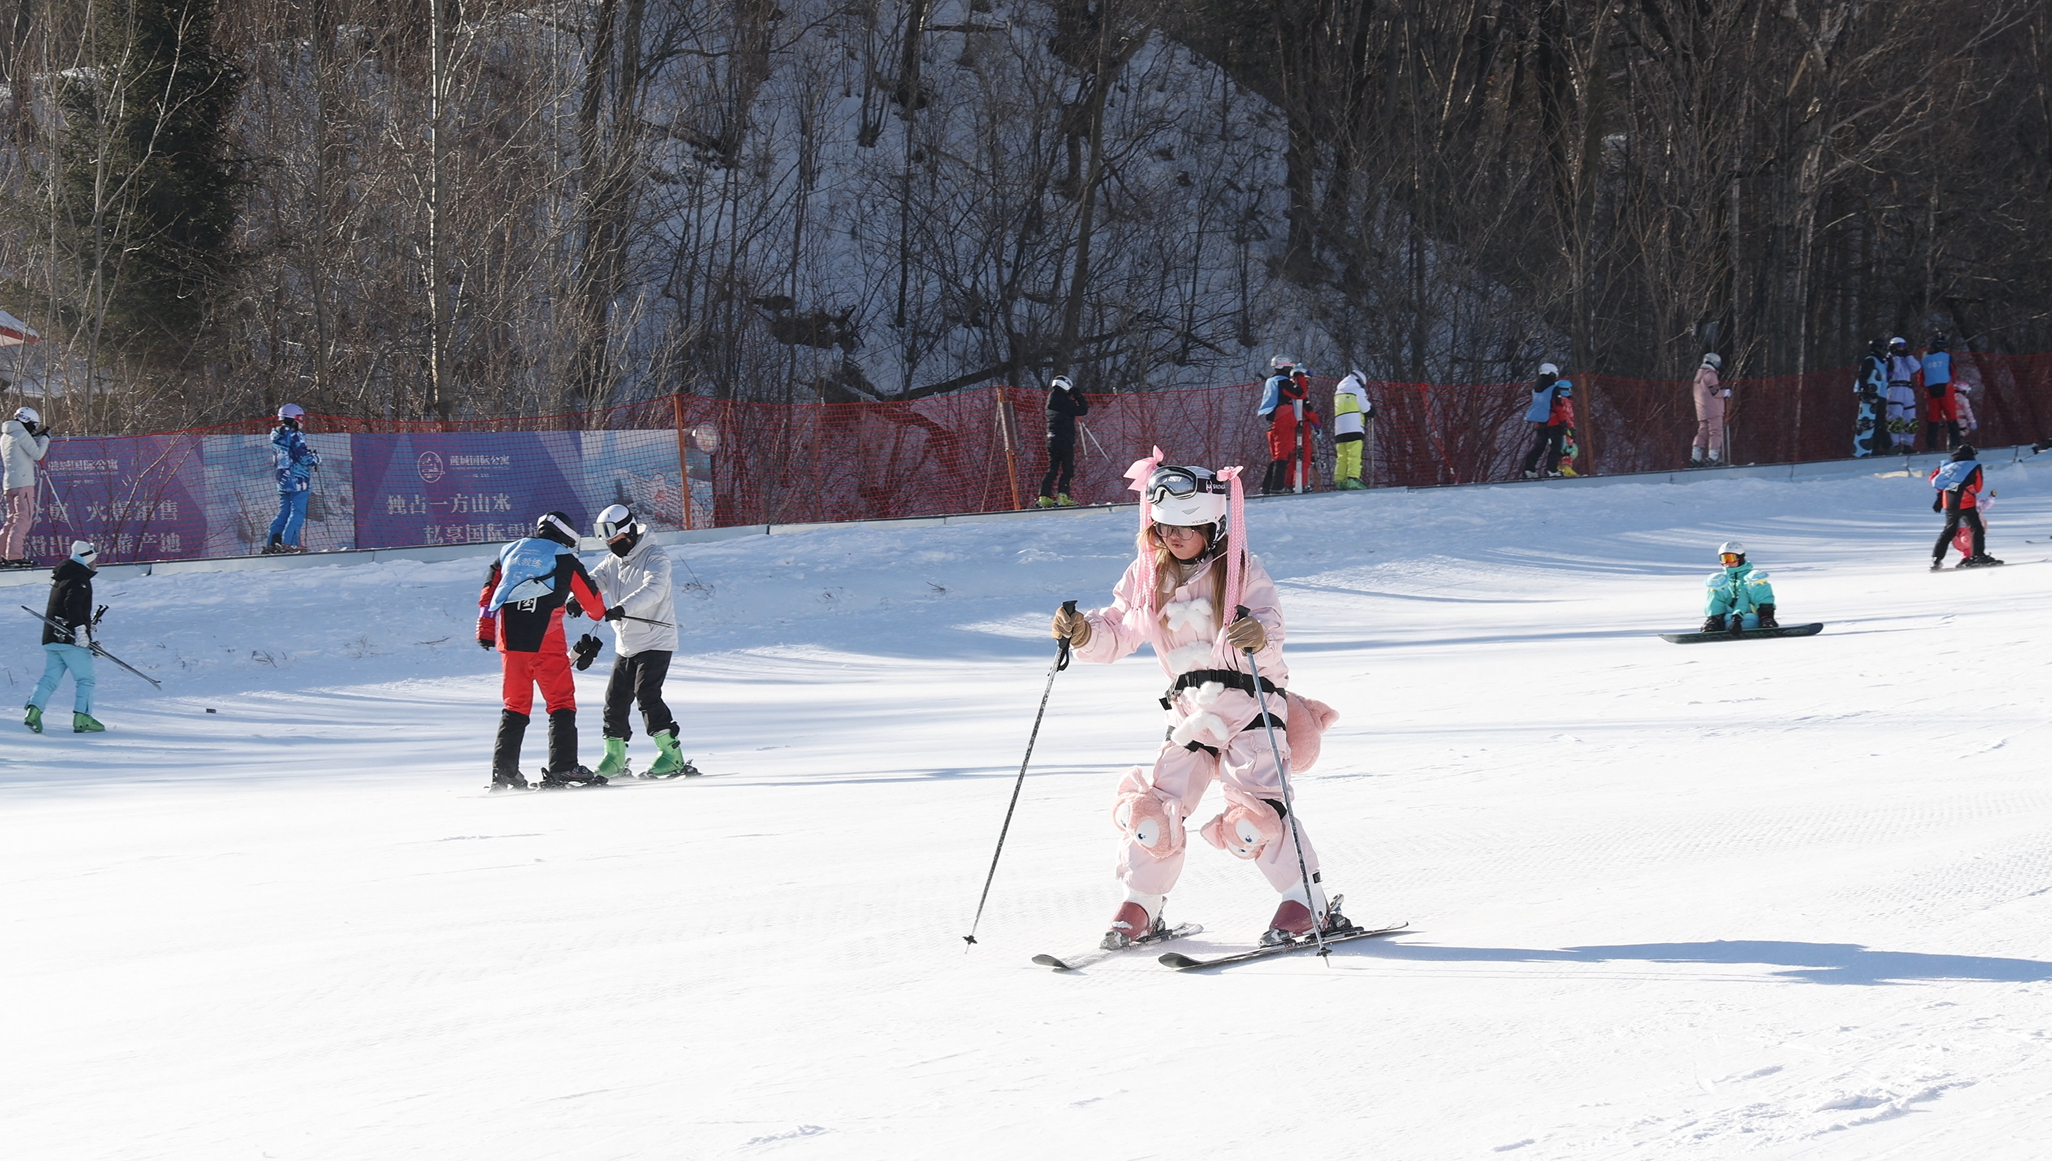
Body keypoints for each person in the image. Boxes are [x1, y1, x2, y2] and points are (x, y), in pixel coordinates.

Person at [1049, 452, 1346, 950]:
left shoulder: (1240, 569)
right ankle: (1141, 904)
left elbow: (1270, 626)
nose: (1173, 537)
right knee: (1155, 810)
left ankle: (1305, 901)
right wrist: (1083, 633)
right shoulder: (1149, 575)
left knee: (1256, 809)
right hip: (1192, 713)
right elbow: (1119, 627)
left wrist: (1256, 635)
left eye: (1185, 528)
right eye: (1163, 528)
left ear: (1212, 525)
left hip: (1251, 705)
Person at [477, 511, 617, 790]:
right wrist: (597, 613)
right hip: (546, 641)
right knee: (561, 702)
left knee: (514, 705)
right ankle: (564, 768)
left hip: (510, 642)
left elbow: (488, 593)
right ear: (567, 536)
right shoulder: (564, 557)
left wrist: (485, 629)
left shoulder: (508, 552)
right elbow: (592, 603)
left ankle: (504, 772)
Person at [586, 504, 694, 779]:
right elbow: (594, 580)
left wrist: (622, 608)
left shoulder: (655, 556)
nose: (612, 545)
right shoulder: (613, 561)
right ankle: (614, 757)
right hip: (626, 643)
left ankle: (671, 754)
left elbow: (654, 590)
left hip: (656, 639)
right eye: (608, 541)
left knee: (647, 694)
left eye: (616, 539)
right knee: (614, 700)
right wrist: (579, 597)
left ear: (631, 532)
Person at [24, 540, 104, 734]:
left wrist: (87, 627)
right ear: (87, 559)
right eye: (94, 559)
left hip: (52, 639)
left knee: (49, 678)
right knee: (85, 679)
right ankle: (82, 718)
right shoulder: (79, 578)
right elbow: (72, 605)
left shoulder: (62, 575)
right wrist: (81, 631)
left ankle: (33, 712)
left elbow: (63, 607)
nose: (96, 563)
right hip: (70, 640)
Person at [1929, 444, 2001, 569]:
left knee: (1949, 530)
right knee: (1976, 528)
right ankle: (1977, 555)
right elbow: (1978, 487)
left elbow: (1933, 479)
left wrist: (1948, 489)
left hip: (1949, 503)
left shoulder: (1945, 465)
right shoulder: (1973, 465)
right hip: (1966, 502)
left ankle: (1936, 559)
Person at [264, 404, 321, 554]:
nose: (302, 421)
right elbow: (303, 458)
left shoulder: (277, 434)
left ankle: (272, 542)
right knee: (298, 512)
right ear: (293, 418)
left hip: (283, 478)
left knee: (284, 511)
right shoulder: (295, 434)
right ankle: (289, 543)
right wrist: (315, 458)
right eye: (300, 418)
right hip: (298, 479)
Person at [2, 404, 51, 567]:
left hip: (9, 483)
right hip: (23, 484)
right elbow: (37, 454)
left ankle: (2, 554)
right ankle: (14, 556)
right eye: (34, 424)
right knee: (23, 519)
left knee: (11, 520)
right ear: (28, 421)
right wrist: (45, 438)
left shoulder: (6, 435)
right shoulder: (21, 434)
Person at [1036, 374, 1090, 508]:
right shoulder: (1064, 401)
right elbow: (1083, 410)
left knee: (1052, 468)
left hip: (1051, 439)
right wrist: (1078, 396)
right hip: (1064, 439)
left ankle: (1044, 496)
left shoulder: (1050, 400)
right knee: (1067, 469)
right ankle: (1063, 496)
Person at [1701, 541, 1778, 633]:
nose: (1727, 562)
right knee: (1715, 584)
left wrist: (1737, 616)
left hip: (1751, 612)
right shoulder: (1723, 578)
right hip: (1728, 615)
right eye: (1723, 558)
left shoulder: (1749, 576)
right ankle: (1714, 620)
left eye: (1730, 558)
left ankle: (1766, 618)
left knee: (1758, 582)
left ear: (1740, 558)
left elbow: (1743, 598)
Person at [1257, 355, 1306, 494]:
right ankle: (1276, 487)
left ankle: (1267, 486)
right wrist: (1300, 377)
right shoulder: (1282, 382)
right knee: (1283, 455)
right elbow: (1300, 394)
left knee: (1277, 456)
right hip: (1283, 421)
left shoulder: (1271, 381)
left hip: (1272, 421)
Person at [1518, 366, 1570, 479]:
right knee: (1556, 447)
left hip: (1541, 422)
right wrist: (1563, 421)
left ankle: (1529, 469)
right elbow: (1558, 406)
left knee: (1539, 447)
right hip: (1554, 422)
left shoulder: (1536, 389)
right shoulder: (1553, 388)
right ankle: (1552, 470)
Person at [1331, 369, 1372, 490]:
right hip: (1354, 427)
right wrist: (1371, 412)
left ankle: (1340, 481)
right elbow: (1366, 409)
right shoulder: (1358, 391)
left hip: (1339, 429)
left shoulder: (1338, 393)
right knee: (1354, 455)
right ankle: (1352, 479)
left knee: (1341, 456)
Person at [1920, 332, 1960, 452]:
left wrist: (1925, 388)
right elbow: (1953, 373)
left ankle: (1931, 446)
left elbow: (1920, 378)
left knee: (1932, 419)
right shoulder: (1946, 357)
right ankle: (1955, 443)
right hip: (1946, 388)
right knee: (1951, 416)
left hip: (1930, 390)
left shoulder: (1925, 359)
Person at [1884, 336, 1920, 454]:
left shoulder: (1906, 359)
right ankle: (1894, 445)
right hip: (1895, 388)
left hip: (1907, 389)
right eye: (1899, 346)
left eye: (1904, 346)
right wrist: (1896, 357)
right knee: (1895, 418)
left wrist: (1908, 356)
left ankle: (1907, 445)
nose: (1902, 349)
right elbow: (1895, 370)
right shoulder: (1888, 359)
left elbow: (1916, 368)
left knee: (1910, 418)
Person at [1690, 353, 1727, 466]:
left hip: (1702, 410)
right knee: (1715, 432)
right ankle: (1713, 457)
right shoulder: (1710, 375)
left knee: (1702, 432)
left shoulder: (1698, 375)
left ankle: (1695, 457)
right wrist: (1725, 393)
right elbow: (1715, 392)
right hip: (1714, 409)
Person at [1853, 339, 1887, 458]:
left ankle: (1876, 447)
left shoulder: (1883, 363)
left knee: (1879, 422)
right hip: (1873, 396)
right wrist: (1865, 389)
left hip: (1881, 395)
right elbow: (1863, 376)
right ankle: (1875, 447)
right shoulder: (1870, 360)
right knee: (1874, 422)